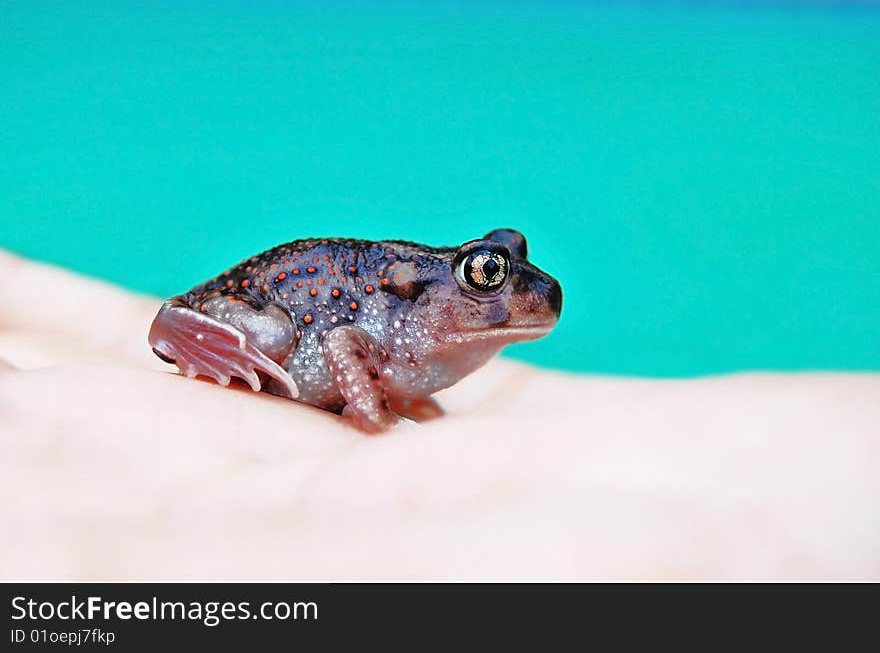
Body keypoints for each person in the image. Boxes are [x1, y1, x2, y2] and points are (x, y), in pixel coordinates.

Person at [0, 249, 877, 580]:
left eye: (505, 273)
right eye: (487, 279)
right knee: (266, 326)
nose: (515, 292)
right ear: (434, 291)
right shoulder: (390, 310)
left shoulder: (420, 325)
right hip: (261, 308)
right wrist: (371, 417)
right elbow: (342, 341)